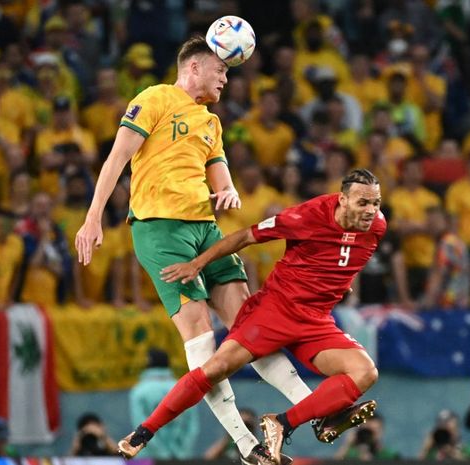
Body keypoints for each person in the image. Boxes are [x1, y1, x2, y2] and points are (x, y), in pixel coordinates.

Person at [75, 35, 314, 465]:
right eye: (221, 70)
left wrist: (229, 193)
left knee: (252, 325)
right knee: (201, 335)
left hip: (206, 229)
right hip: (160, 230)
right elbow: (116, 159)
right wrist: (93, 216)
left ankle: (315, 407)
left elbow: (221, 176)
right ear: (195, 68)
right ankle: (246, 444)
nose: (227, 78)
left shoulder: (212, 123)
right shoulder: (155, 99)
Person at [117, 169, 384, 465]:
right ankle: (144, 431)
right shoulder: (307, 216)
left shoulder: (377, 227)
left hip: (316, 320)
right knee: (215, 368)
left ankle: (283, 422)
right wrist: (197, 264)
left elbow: (346, 257)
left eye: (376, 203)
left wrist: (339, 282)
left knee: (365, 372)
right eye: (363, 203)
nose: (371, 211)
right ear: (342, 200)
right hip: (274, 312)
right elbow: (246, 236)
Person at [129, 349, 198, 459]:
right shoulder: (186, 388)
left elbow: (140, 427)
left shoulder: (139, 391)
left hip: (149, 458)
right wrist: (181, 453)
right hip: (181, 458)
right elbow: (192, 426)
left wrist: (162, 455)